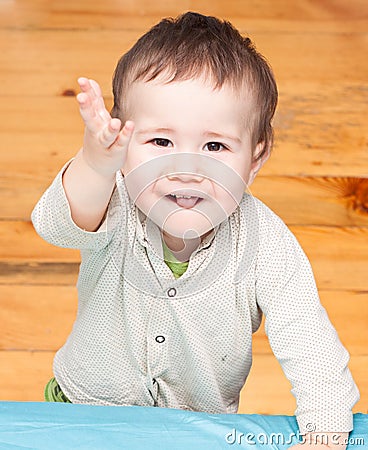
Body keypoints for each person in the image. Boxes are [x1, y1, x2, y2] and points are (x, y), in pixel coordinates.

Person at [32, 11, 359, 449]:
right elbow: (58, 227)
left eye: (215, 146)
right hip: (81, 412)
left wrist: (327, 431)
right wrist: (95, 165)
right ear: (124, 146)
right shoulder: (115, 199)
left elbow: (309, 340)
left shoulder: (265, 242)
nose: (186, 171)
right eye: (161, 142)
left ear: (256, 158)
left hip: (194, 435)